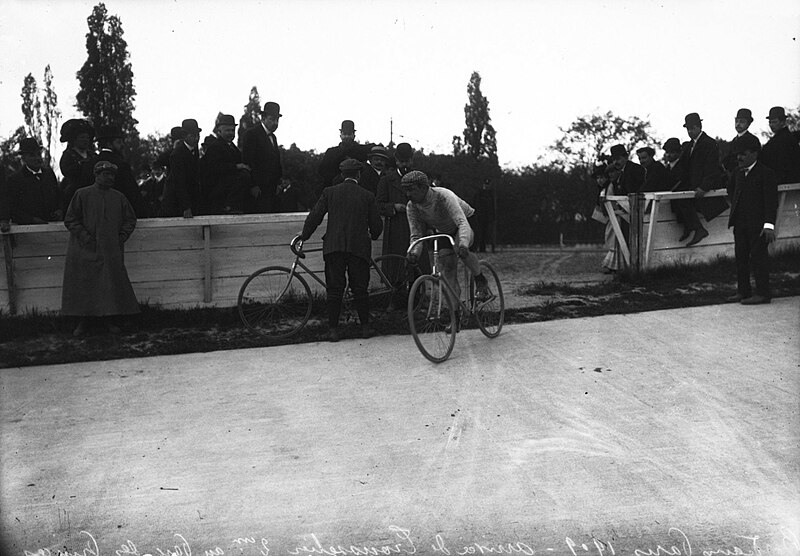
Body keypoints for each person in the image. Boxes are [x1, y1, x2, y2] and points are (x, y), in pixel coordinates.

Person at [298, 158, 383, 342]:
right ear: (359, 175)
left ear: (342, 174)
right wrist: (373, 234)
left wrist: (304, 236)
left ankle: (333, 330)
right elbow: (377, 226)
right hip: (359, 247)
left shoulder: (329, 192)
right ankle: (365, 328)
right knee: (360, 288)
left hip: (334, 246)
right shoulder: (367, 195)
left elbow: (315, 217)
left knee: (334, 289)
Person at [61, 161, 139, 336]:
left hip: (110, 251)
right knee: (84, 284)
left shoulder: (119, 197)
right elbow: (70, 219)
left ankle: (109, 320)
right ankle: (82, 322)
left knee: (108, 286)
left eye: (112, 175)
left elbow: (130, 219)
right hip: (85, 249)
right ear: (96, 175)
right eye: (105, 174)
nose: (109, 178)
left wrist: (121, 237)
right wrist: (84, 236)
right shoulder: (82, 194)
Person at [402, 170, 491, 306]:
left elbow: (462, 223)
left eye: (411, 190)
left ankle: (480, 279)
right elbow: (416, 235)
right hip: (444, 230)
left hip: (466, 222)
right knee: (447, 268)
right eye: (405, 190)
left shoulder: (443, 195)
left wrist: (463, 245)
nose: (408, 194)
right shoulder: (411, 206)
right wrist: (413, 254)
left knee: (459, 249)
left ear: (424, 187)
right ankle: (455, 314)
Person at [725, 134, 778, 305]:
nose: (739, 157)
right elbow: (731, 191)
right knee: (740, 257)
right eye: (737, 154)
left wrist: (769, 226)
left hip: (759, 225)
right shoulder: (738, 173)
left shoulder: (766, 174)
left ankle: (763, 293)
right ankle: (743, 291)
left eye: (743, 153)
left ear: (755, 154)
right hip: (740, 223)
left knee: (758, 257)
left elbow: (771, 203)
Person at [674, 112, 728, 246]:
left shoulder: (709, 143)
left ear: (699, 127)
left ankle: (698, 229)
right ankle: (690, 226)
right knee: (675, 198)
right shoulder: (690, 145)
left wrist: (704, 187)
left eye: (692, 128)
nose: (690, 131)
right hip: (692, 183)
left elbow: (712, 168)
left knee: (684, 202)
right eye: (688, 129)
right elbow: (683, 166)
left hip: (706, 186)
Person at [3, 138, 63, 225]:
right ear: (23, 158)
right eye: (32, 155)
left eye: (38, 154)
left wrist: (60, 210)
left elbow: (58, 196)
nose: (37, 158)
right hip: (26, 229)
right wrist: (31, 219)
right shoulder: (15, 179)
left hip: (52, 226)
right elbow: (12, 208)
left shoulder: (49, 174)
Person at [201, 113, 252, 214]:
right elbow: (213, 168)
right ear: (219, 131)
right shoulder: (215, 147)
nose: (230, 133)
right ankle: (229, 206)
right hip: (219, 192)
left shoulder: (234, 148)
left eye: (232, 130)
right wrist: (236, 166)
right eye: (227, 130)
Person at [94, 124, 146, 218]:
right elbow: (133, 196)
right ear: (109, 144)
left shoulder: (89, 164)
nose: (122, 145)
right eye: (118, 142)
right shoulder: (121, 165)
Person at [241, 101, 283, 213]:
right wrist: (253, 185)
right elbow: (248, 161)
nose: (275, 123)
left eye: (277, 120)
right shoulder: (251, 135)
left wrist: (278, 183)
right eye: (272, 119)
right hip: (258, 190)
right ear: (263, 118)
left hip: (272, 190)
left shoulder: (273, 137)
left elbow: (276, 162)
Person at [161, 118, 201, 218]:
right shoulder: (177, 155)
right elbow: (179, 182)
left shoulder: (195, 150)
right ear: (184, 136)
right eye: (192, 136)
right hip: (175, 201)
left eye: (198, 135)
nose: (196, 139)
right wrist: (186, 207)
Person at [318, 119, 372, 190]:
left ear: (354, 135)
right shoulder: (331, 153)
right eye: (344, 134)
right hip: (335, 189)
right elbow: (322, 171)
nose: (346, 137)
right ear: (340, 135)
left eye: (349, 134)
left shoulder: (362, 151)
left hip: (358, 189)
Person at [59, 118, 97, 212]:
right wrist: (81, 165)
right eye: (82, 137)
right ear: (74, 139)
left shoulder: (93, 155)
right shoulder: (68, 154)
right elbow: (66, 171)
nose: (85, 140)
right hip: (74, 192)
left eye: (87, 138)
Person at [761, 106, 800, 184]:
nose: (771, 125)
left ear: (783, 122)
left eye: (774, 122)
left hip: (785, 182)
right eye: (770, 122)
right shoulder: (780, 138)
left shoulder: (785, 139)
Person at [722, 108, 758, 174]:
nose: (738, 124)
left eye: (742, 122)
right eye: (736, 121)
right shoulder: (734, 140)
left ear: (748, 124)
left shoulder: (752, 140)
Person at [472, 179, 496, 253]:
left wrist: (493, 216)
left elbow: (493, 206)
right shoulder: (479, 194)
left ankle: (483, 248)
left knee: (486, 233)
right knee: (478, 233)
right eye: (485, 185)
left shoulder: (490, 194)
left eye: (488, 185)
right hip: (480, 217)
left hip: (488, 217)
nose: (486, 186)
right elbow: (475, 204)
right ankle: (476, 248)